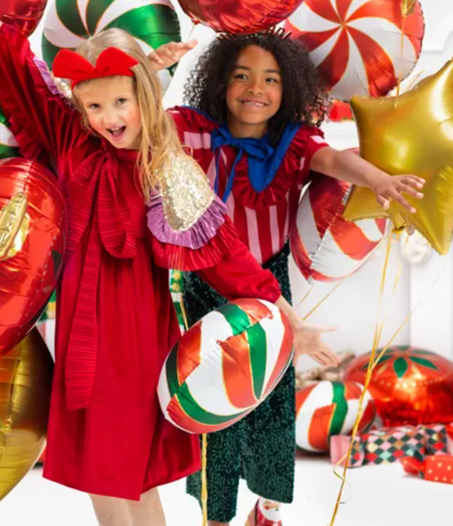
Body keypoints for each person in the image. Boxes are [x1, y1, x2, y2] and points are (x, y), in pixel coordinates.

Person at [0, 0, 335, 526]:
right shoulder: (68, 138)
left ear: (142, 95)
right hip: (79, 324)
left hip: (136, 332)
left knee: (126, 475)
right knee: (112, 479)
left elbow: (228, 257)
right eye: (95, 105)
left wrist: (289, 322)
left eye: (120, 103)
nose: (108, 118)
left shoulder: (165, 166)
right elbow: (12, 57)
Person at [164, 31, 424, 526]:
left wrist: (379, 180)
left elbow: (338, 161)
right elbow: (150, 130)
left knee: (273, 400)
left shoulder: (294, 142)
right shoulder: (192, 131)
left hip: (269, 280)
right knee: (216, 399)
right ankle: (214, 513)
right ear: (220, 82)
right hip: (204, 282)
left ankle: (269, 507)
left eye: (270, 79)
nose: (254, 88)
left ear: (289, 90)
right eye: (241, 76)